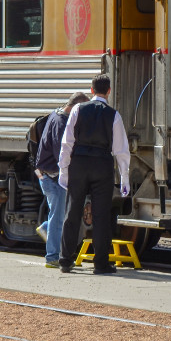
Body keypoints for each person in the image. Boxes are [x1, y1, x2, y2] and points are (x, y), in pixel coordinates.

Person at [57, 74, 131, 275]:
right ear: (108, 91)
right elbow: (121, 150)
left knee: (72, 211)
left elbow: (67, 143)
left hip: (79, 164)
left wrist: (63, 170)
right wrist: (124, 176)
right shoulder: (114, 115)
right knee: (101, 215)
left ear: (91, 90)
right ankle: (101, 263)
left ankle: (65, 260)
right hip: (102, 165)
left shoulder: (78, 110)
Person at [34, 92, 89, 268]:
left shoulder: (56, 115)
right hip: (53, 177)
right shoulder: (61, 123)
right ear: (76, 108)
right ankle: (52, 257)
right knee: (58, 217)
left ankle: (46, 229)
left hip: (49, 175)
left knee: (57, 216)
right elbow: (61, 154)